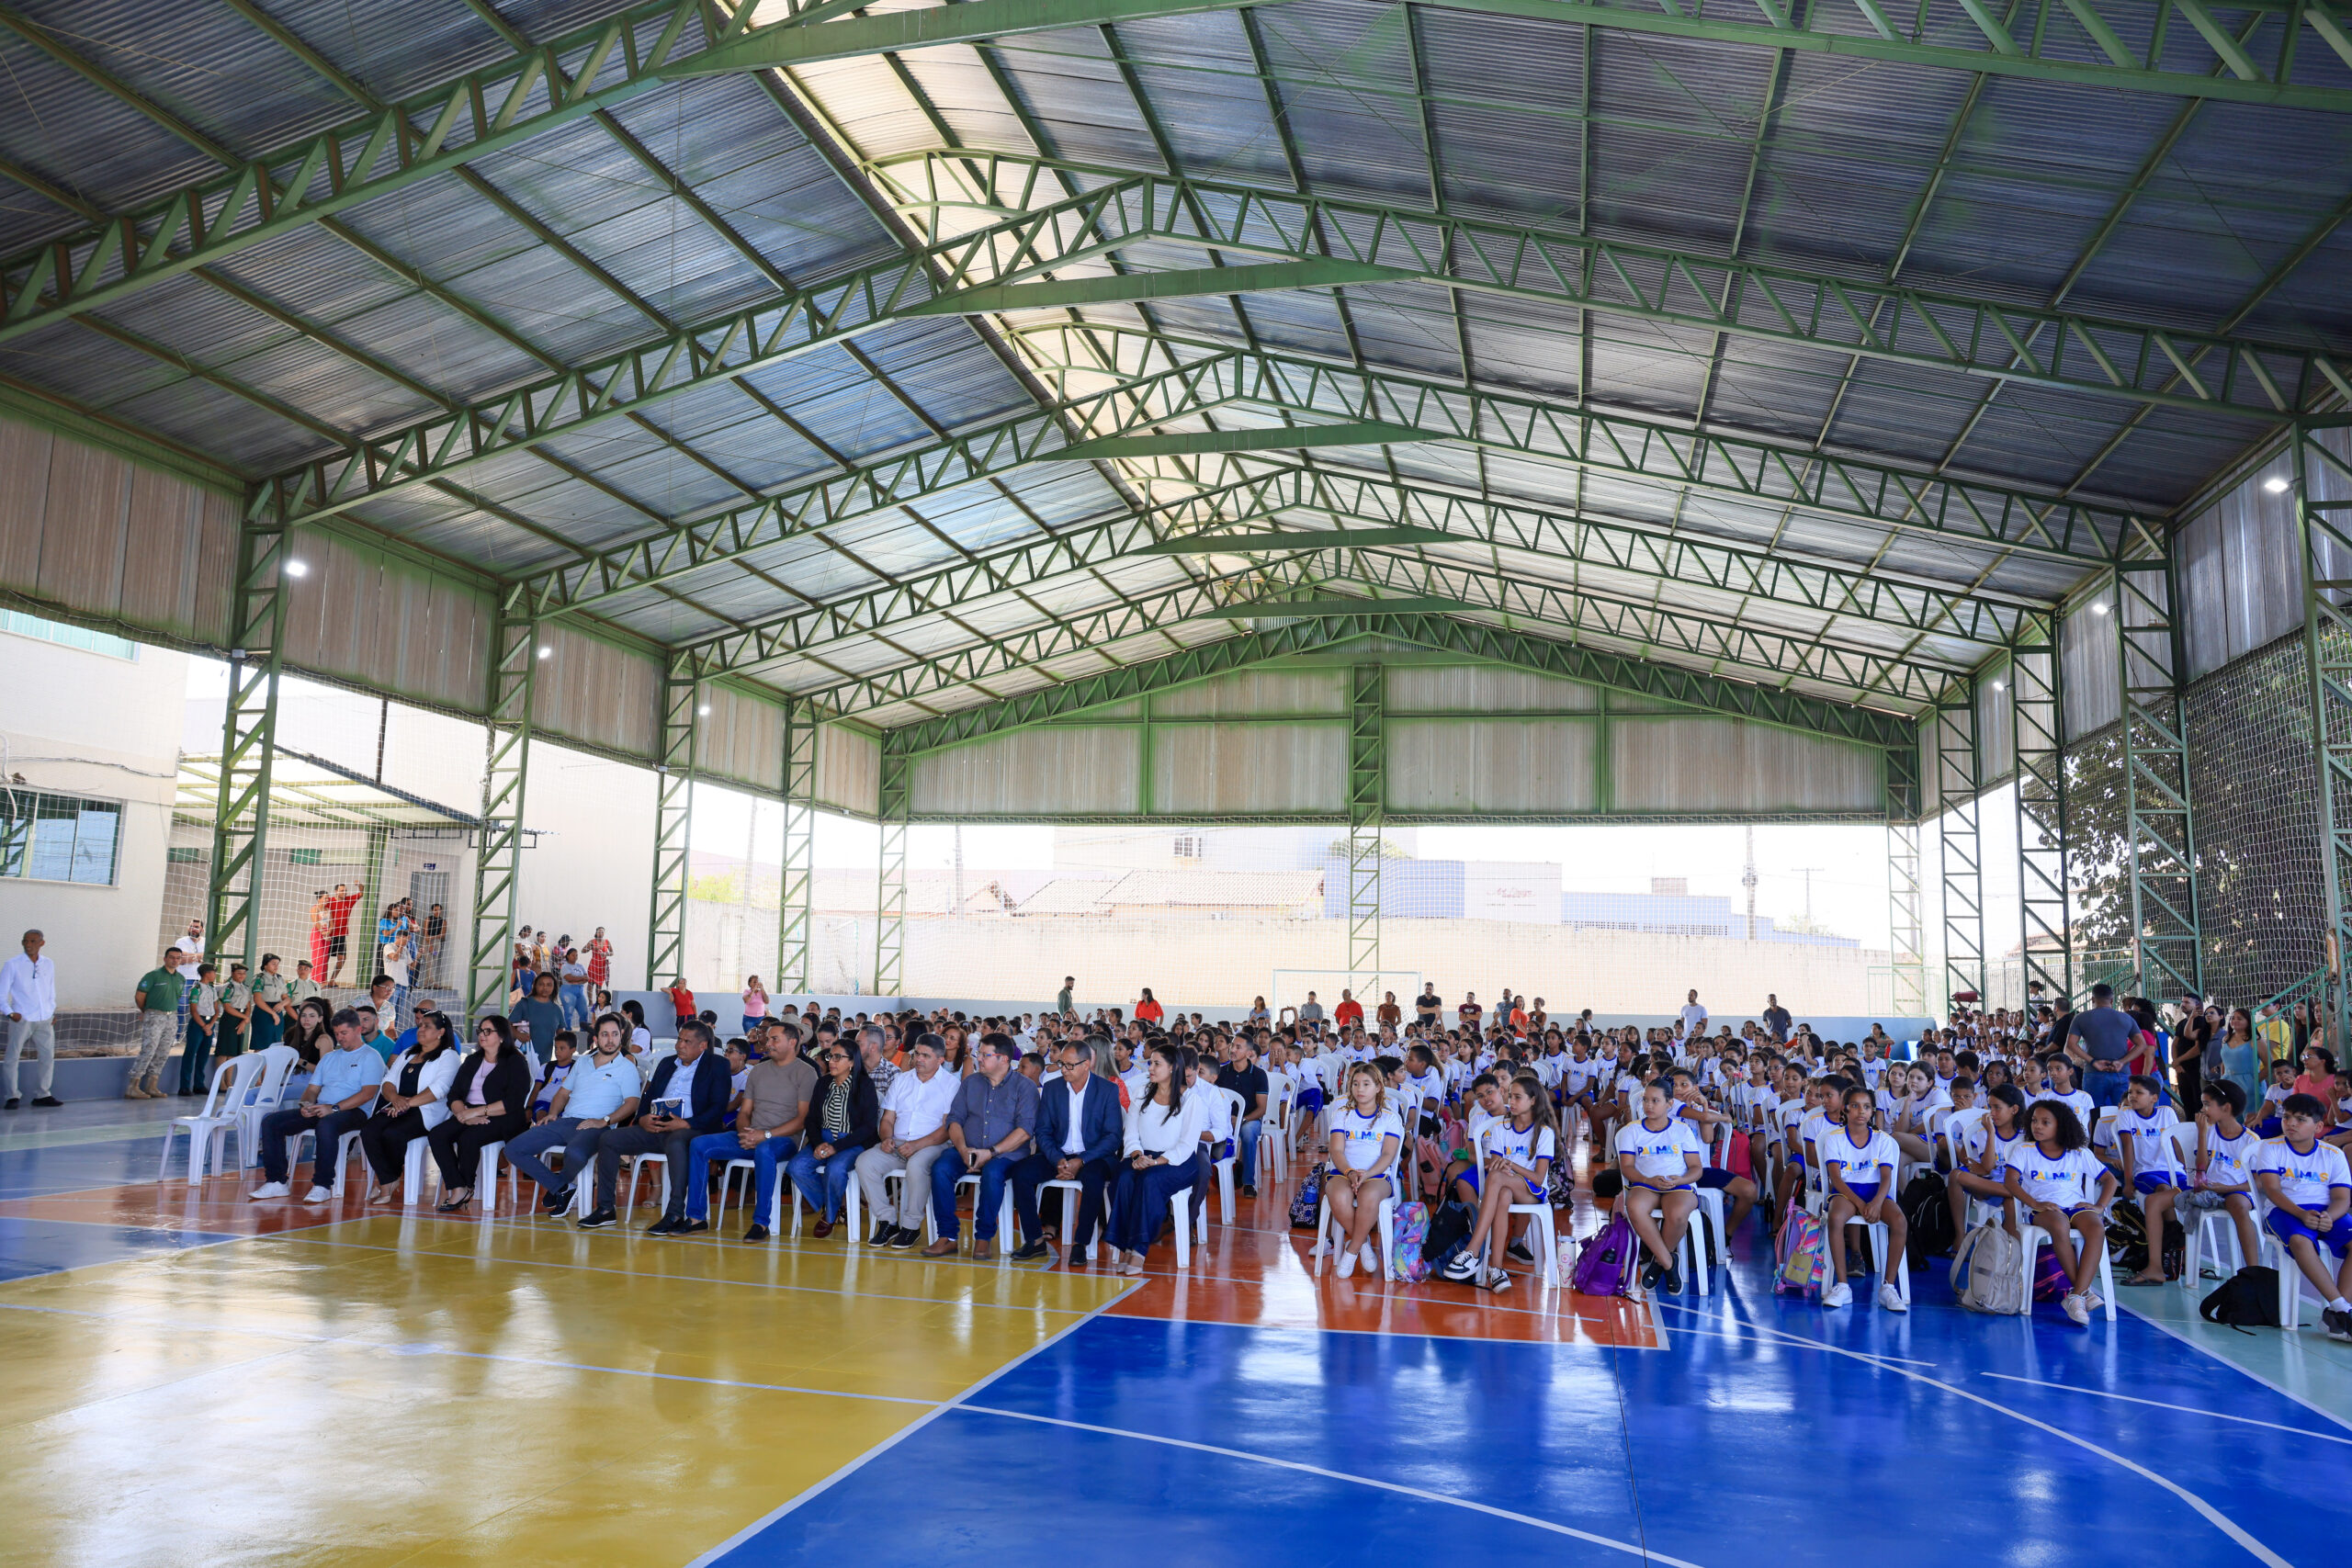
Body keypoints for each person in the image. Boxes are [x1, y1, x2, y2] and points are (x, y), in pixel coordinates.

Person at [586, 1020, 729, 1234]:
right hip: (657, 1126)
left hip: (693, 1129)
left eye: (687, 1041)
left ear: (702, 1046)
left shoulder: (717, 1065)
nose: (680, 1045)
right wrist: (643, 1117)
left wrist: (686, 1123)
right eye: (679, 1039)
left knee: (677, 1141)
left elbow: (718, 1107)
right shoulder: (666, 1063)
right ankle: (606, 1208)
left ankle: (674, 1214)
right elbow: (648, 1096)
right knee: (609, 1139)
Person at [683, 1022, 815, 1241]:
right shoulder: (759, 1070)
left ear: (792, 1043)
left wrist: (764, 1136)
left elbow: (802, 1120)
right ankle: (696, 1219)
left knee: (765, 1150)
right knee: (699, 1144)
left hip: (784, 1140)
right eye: (768, 1038)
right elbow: (744, 1111)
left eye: (774, 1039)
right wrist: (746, 1133)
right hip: (751, 1136)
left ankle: (761, 1222)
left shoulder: (806, 1073)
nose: (767, 1042)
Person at [506, 1014, 641, 1213]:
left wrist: (604, 1121)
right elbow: (562, 1093)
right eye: (605, 1034)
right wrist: (553, 1113)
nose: (610, 1040)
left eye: (614, 1034)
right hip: (567, 1121)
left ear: (621, 1036)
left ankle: (559, 1186)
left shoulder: (627, 1067)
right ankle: (562, 1187)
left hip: (597, 1126)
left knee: (575, 1154)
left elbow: (632, 1103)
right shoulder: (583, 1062)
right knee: (513, 1149)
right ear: (596, 1038)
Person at [247, 1008, 382, 1202]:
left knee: (327, 1124)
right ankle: (276, 1181)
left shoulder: (370, 1056)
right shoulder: (329, 1058)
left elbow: (367, 1093)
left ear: (358, 1030)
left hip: (355, 1112)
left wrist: (333, 1108)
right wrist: (306, 1105)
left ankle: (322, 1185)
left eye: (344, 1033)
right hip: (323, 1109)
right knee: (271, 1122)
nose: (340, 1038)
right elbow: (312, 1090)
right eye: (336, 1034)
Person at [923, 1033, 1038, 1259]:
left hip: (1006, 1154)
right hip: (968, 1149)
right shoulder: (971, 1083)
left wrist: (991, 1152)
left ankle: (983, 1238)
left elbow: (1025, 1131)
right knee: (941, 1169)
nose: (979, 1060)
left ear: (1004, 1059)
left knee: (993, 1174)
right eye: (978, 1054)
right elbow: (954, 1121)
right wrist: (963, 1149)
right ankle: (947, 1236)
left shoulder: (1024, 1087)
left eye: (985, 1055)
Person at [1009, 1040, 1124, 1264]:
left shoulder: (1107, 1090)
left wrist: (1081, 1160)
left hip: (1093, 1156)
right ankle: (1035, 1240)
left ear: (1086, 1065)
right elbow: (1043, 1131)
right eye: (1062, 1064)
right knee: (1020, 1174)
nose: (1063, 1069)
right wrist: (1058, 1159)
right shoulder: (1053, 1088)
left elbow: (1113, 1137)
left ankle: (1081, 1243)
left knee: (1094, 1179)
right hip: (1058, 1154)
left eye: (1070, 1065)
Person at [2002, 1100, 2115, 1325]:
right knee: (2059, 1225)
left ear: (2061, 1126)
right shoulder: (2024, 1150)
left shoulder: (2079, 1153)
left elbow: (2109, 1180)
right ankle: (2082, 1294)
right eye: (2034, 1121)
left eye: (2045, 1122)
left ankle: (2075, 1295)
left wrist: (2099, 1206)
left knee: (2096, 1227)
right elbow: (2010, 1181)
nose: (2038, 1126)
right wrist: (2035, 1202)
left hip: (2075, 1207)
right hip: (2044, 1210)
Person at [1442, 1076, 1557, 1292]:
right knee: (1502, 1193)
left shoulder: (1544, 1132)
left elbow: (1539, 1179)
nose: (1511, 1101)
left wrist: (1511, 1165)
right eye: (1510, 1096)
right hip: (1506, 1184)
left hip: (1532, 1191)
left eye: (1517, 1097)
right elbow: (1495, 1164)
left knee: (1495, 1179)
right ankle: (1496, 1269)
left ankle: (1473, 1251)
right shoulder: (1501, 1128)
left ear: (1533, 1100)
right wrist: (1504, 1167)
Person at [2254, 1093, 2352, 1337]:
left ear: (2318, 1127)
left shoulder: (2333, 1154)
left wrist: (2330, 1216)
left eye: (2300, 1119)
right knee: (2300, 1241)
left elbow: (2342, 1198)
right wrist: (2300, 1213)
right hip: (2285, 1210)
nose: (2291, 1123)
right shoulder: (2271, 1147)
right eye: (2287, 1118)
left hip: (2326, 1211)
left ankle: (2336, 1316)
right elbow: (2272, 1190)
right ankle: (2343, 1310)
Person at [1105, 1042, 1207, 1277]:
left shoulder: (1191, 1101)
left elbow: (1186, 1146)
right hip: (1142, 1155)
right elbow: (1130, 1133)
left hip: (1177, 1162)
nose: (1150, 1068)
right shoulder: (1142, 1093)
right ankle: (1125, 1245)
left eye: (1156, 1064)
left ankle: (1138, 1250)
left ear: (1172, 1068)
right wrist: (1138, 1155)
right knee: (1123, 1177)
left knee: (1149, 1181)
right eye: (1150, 1063)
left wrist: (1156, 1161)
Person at [855, 1033, 961, 1247]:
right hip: (898, 1143)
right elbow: (888, 1119)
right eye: (916, 1054)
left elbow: (947, 1128)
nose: (919, 1059)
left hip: (932, 1145)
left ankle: (911, 1227)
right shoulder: (902, 1079)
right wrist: (885, 1138)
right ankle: (888, 1221)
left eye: (926, 1055)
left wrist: (917, 1145)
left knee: (917, 1164)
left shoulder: (951, 1085)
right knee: (865, 1162)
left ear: (940, 1060)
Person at [426, 1015, 533, 1213]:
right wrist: (463, 1113)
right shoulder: (473, 1060)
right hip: (468, 1113)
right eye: (480, 1031)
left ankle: (466, 1186)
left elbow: (513, 1102)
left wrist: (476, 1112)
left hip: (503, 1117)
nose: (482, 1035)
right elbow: (454, 1094)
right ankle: (457, 1186)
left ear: (501, 1036)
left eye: (488, 1031)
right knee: (437, 1134)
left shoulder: (515, 1062)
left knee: (469, 1138)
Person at [1816, 1086, 1909, 1311]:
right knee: (1836, 1219)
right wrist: (1859, 1203)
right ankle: (1842, 1286)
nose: (1861, 1111)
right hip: (1846, 1192)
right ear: (1845, 1109)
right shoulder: (1834, 1139)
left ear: (1872, 1111)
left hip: (1876, 1192)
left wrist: (1877, 1202)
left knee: (1899, 1221)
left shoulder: (1883, 1140)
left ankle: (1888, 1287)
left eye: (1867, 1107)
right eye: (1855, 1106)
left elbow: (1887, 1178)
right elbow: (1836, 1179)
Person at [357, 1010, 462, 1205]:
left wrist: (406, 1104)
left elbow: (439, 1089)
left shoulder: (449, 1057)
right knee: (369, 1130)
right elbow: (388, 1081)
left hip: (426, 1111)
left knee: (393, 1134)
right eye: (420, 1025)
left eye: (426, 1026)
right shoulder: (408, 1053)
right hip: (397, 1105)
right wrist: (396, 1099)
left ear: (440, 1032)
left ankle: (387, 1182)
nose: (420, 1029)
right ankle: (389, 1179)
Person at [1614, 1079, 1704, 1295]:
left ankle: (1658, 1262)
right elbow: (1627, 1167)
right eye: (1646, 1100)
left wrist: (1680, 1180)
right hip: (1646, 1184)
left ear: (1669, 1104)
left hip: (1678, 1185)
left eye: (1655, 1101)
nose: (1649, 1105)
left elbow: (1696, 1168)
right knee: (1635, 1207)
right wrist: (1647, 1180)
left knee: (1677, 1213)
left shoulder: (1682, 1131)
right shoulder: (1631, 1131)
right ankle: (1669, 1262)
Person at [786, 1039, 879, 1238]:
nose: (832, 1061)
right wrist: (819, 1143)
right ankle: (833, 1206)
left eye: (838, 1057)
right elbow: (811, 1120)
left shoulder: (864, 1085)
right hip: (823, 1138)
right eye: (830, 1056)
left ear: (852, 1062)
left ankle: (828, 1216)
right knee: (796, 1167)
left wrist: (837, 1147)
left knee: (835, 1169)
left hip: (852, 1142)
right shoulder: (823, 1083)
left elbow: (869, 1127)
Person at [1323, 1062, 1404, 1280]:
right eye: (1355, 1084)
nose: (1360, 1089)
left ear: (1378, 1087)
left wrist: (1366, 1174)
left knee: (1369, 1196)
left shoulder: (1390, 1118)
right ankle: (1363, 1243)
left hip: (1376, 1175)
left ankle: (1351, 1251)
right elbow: (1337, 1150)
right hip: (1344, 1172)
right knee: (1338, 1195)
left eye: (1366, 1084)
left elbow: (1388, 1155)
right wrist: (1350, 1172)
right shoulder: (1342, 1114)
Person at [2113, 1073, 2183, 1285]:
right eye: (2130, 1092)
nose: (2132, 1096)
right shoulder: (2126, 1115)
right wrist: (2128, 1181)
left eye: (2139, 1093)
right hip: (2145, 1172)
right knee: (2162, 1189)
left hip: (2174, 1170)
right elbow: (2128, 1149)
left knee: (2170, 1188)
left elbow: (2177, 1144)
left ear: (2154, 1097)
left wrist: (2187, 1170)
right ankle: (2175, 1239)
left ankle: (2172, 1243)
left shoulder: (2167, 1113)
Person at [0, 930, 59, 1111]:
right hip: (22, 1019)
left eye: (33, 941)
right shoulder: (13, 964)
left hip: (45, 1019)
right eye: (25, 941)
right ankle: (12, 1096)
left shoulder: (48, 964)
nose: (28, 945)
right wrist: (11, 1013)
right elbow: (2, 995)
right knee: (12, 1057)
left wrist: (51, 1011)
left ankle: (43, 1094)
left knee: (47, 1057)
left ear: (42, 943)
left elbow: (50, 990)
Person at [128, 945, 187, 1101]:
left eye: (178, 958)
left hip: (172, 1017)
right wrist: (147, 1011)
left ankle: (152, 1085)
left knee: (163, 1051)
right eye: (172, 957)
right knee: (149, 1049)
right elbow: (140, 996)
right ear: (165, 959)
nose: (175, 960)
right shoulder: (153, 976)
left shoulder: (181, 979)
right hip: (155, 1016)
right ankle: (133, 1086)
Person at [1216, 1035, 1270, 1199]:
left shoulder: (1259, 1075)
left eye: (1238, 1047)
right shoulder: (1221, 1072)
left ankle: (1248, 1182)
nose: (1232, 1050)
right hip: (1224, 1119)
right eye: (1232, 1045)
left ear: (1249, 1052)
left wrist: (1241, 1120)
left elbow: (1262, 1109)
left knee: (1247, 1133)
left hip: (1249, 1119)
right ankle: (1215, 1177)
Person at [2069, 983, 2136, 1110]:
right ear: (2112, 1000)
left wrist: (2093, 1061)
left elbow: (2071, 1044)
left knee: (2093, 1112)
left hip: (2094, 1073)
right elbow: (2142, 1044)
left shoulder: (2081, 1018)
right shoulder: (2125, 1018)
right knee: (2125, 1112)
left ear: (2093, 999)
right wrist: (2122, 1062)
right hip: (2121, 1072)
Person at [180, 963, 221, 1096]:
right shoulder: (196, 989)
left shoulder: (212, 989)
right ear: (206, 973)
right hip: (199, 1023)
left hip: (210, 1023)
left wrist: (210, 1025)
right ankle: (185, 1086)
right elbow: (193, 1010)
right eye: (213, 972)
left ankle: (199, 1084)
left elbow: (216, 1009)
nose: (215, 975)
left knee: (203, 1056)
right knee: (190, 1054)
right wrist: (204, 1026)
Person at [510, 972, 564, 1063]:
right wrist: (518, 1034)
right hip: (522, 1057)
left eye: (549, 985)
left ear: (554, 987)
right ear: (535, 986)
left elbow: (561, 1034)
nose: (545, 987)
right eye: (541, 984)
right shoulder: (524, 1004)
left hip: (545, 1059)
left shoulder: (556, 1009)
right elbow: (507, 1025)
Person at [323, 882, 361, 986]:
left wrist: (359, 885)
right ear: (336, 892)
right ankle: (323, 980)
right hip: (329, 935)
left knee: (342, 959)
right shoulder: (329, 901)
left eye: (345, 890)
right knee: (324, 958)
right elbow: (318, 909)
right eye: (342, 890)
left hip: (341, 935)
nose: (344, 892)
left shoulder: (349, 900)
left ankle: (332, 980)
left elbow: (362, 893)